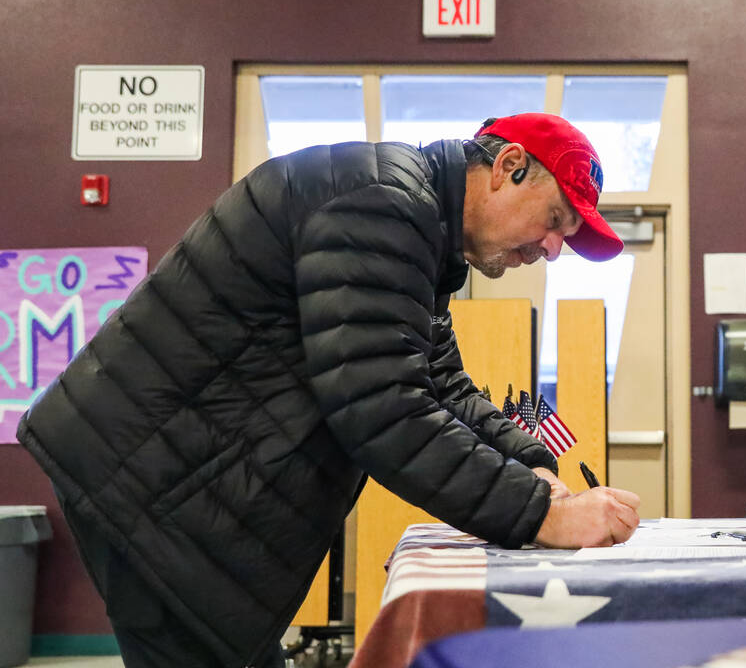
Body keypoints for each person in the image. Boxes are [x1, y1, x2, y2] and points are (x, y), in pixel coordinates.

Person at [18, 112, 642, 668]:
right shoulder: (382, 205)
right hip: (149, 480)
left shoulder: (414, 226)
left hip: (174, 477)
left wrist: (532, 464)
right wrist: (544, 516)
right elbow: (382, 408)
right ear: (509, 166)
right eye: (555, 220)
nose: (553, 250)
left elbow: (440, 383)